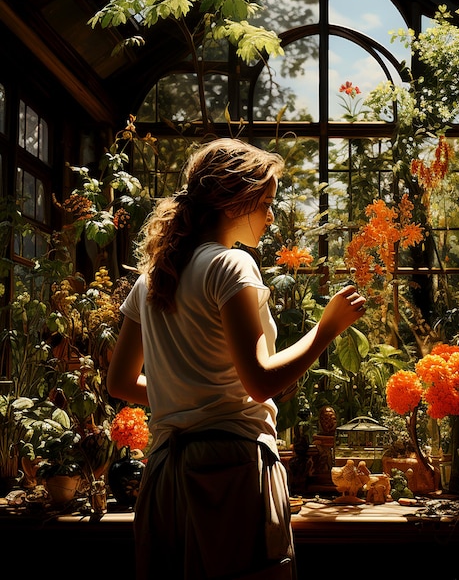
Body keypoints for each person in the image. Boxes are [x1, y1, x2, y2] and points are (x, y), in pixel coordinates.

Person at [107, 138, 367, 580]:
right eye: (265, 202)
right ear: (233, 203)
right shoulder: (231, 265)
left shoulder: (153, 279)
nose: (270, 215)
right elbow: (261, 382)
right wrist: (327, 329)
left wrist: (189, 397)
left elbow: (119, 383)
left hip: (166, 474)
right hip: (229, 471)